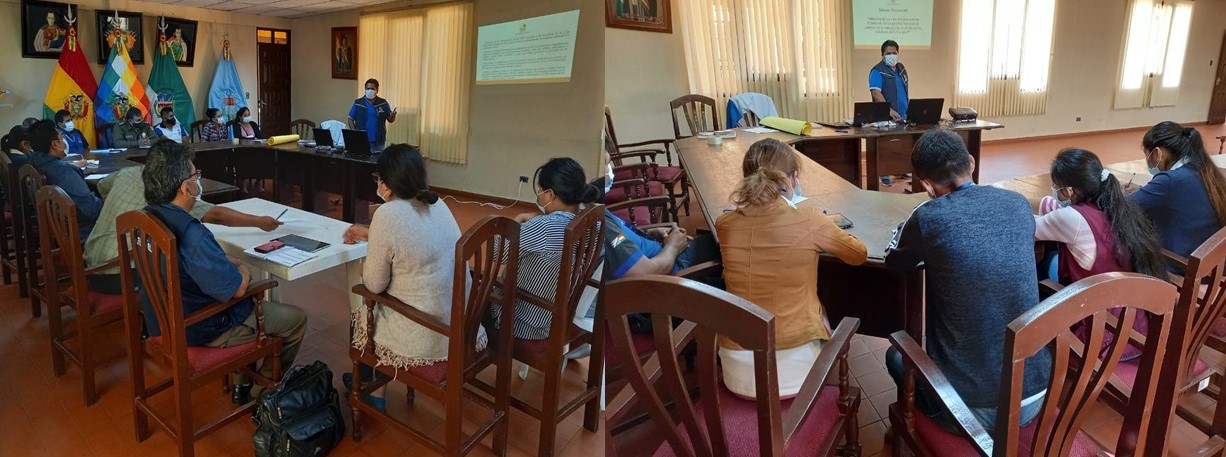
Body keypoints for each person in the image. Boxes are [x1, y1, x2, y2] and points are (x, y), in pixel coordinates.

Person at [884, 129, 1050, 432]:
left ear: (926, 185)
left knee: (895, 357)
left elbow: (895, 263)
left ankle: (925, 429)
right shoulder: (1017, 202)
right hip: (1036, 390)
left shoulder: (928, 217)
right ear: (971, 163)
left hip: (973, 410)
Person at [136, 140, 306, 404]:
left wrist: (222, 263)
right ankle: (262, 393)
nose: (198, 180)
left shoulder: (146, 218)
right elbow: (236, 288)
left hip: (161, 320)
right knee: (295, 319)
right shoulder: (190, 232)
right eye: (196, 175)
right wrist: (243, 267)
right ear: (185, 187)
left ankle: (242, 382)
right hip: (201, 326)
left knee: (237, 299)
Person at [715, 138, 868, 399]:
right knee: (821, 310)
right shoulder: (809, 219)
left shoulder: (725, 223)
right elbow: (858, 255)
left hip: (736, 370)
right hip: (794, 377)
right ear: (793, 178)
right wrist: (820, 224)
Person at [340, 144, 472, 410]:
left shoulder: (387, 214)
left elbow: (375, 285)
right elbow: (418, 239)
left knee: (362, 306)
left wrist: (365, 269)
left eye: (378, 179)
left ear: (386, 185)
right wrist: (370, 233)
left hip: (427, 334)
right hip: (459, 322)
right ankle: (372, 383)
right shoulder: (439, 204)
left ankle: (371, 391)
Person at [83, 140, 283, 294]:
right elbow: (217, 214)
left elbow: (102, 187)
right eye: (195, 175)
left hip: (91, 261)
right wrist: (258, 222)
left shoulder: (127, 173)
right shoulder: (173, 199)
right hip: (120, 270)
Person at [1034, 148, 1165, 361]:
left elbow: (1029, 228)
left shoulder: (1071, 218)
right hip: (1138, 327)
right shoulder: (1121, 208)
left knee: (1045, 263)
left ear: (1068, 191)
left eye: (1056, 187)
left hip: (1101, 337)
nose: (1055, 191)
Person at [491, 158, 600, 340]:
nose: (539, 196)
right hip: (559, 317)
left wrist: (516, 220)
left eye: (540, 191)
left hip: (523, 322)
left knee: (469, 290)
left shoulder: (544, 227)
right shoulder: (590, 221)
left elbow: (497, 253)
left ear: (550, 194)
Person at [1132, 121, 1226, 261]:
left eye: (1147, 155)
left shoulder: (1170, 180)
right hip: (1212, 265)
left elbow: (1123, 205)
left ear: (1157, 153)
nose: (1148, 160)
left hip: (1180, 265)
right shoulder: (1205, 169)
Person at [27, 120, 101, 239]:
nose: (65, 142)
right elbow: (92, 210)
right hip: (79, 231)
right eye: (62, 138)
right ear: (55, 144)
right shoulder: (64, 172)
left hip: (56, 226)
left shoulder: (33, 162)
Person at [347, 78, 397, 148]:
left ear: (377, 90)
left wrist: (393, 115)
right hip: (361, 140)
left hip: (379, 141)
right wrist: (355, 133)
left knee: (377, 159)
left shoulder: (383, 103)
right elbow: (350, 118)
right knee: (361, 158)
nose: (369, 91)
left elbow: (390, 120)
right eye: (368, 88)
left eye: (372, 89)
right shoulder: (358, 103)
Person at [869, 39, 909, 121]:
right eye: (888, 54)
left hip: (903, 117)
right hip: (887, 118)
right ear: (882, 55)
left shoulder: (901, 68)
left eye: (894, 53)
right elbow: (876, 93)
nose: (892, 55)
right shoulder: (877, 71)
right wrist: (889, 110)